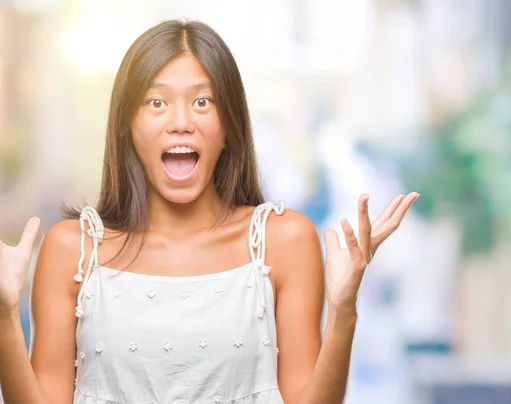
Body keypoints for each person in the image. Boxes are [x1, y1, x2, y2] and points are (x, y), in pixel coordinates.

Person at [0, 20, 418, 404]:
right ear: (127, 125)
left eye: (203, 102)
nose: (180, 122)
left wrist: (344, 311)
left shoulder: (283, 241)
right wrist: (3, 314)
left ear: (229, 127)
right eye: (156, 102)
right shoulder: (72, 250)